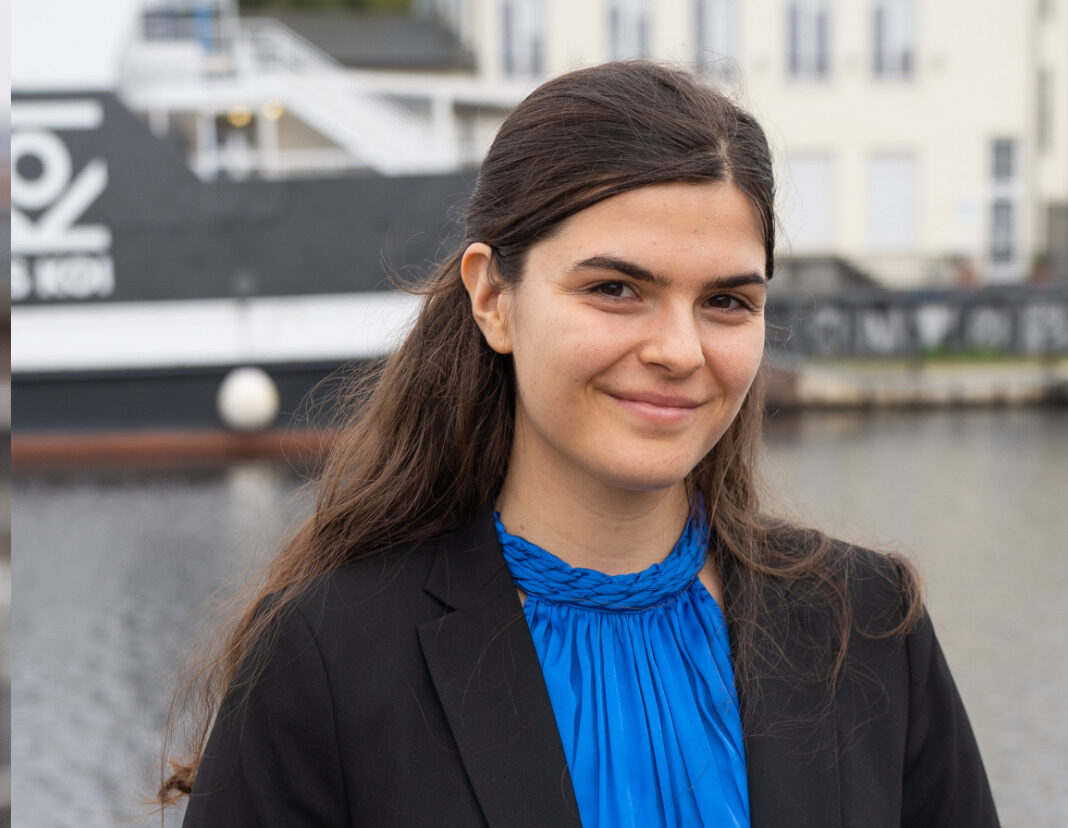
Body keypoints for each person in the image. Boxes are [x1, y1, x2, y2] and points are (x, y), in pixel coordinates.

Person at [160, 61, 1000, 827]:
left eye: (727, 302)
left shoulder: (870, 625)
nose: (679, 350)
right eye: (615, 289)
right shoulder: (331, 657)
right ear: (493, 297)